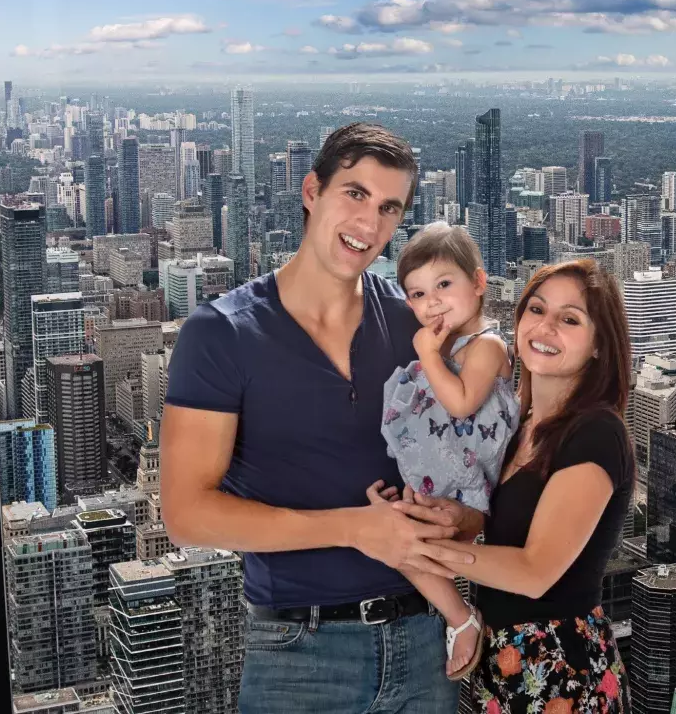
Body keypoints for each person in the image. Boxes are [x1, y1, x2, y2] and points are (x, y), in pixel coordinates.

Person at [160, 123, 475, 714]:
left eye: (388, 208)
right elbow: (186, 515)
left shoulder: (415, 327)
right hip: (298, 654)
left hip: (426, 641)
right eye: (353, 194)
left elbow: (465, 460)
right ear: (312, 191)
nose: (368, 224)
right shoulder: (221, 334)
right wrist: (354, 528)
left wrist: (457, 515)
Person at [389, 259, 636, 713]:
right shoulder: (518, 426)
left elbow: (534, 571)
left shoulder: (597, 432)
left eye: (569, 319)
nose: (545, 327)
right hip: (504, 662)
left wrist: (419, 549)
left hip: (562, 669)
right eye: (536, 309)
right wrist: (434, 519)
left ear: (600, 343)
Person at [371, 221, 519, 681]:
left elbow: (461, 403)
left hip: (468, 479)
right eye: (415, 294)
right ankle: (461, 615)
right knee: (396, 544)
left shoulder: (488, 345)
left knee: (409, 543)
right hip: (444, 473)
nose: (430, 301)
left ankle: (460, 618)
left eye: (443, 285)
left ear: (478, 283)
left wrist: (427, 354)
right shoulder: (450, 345)